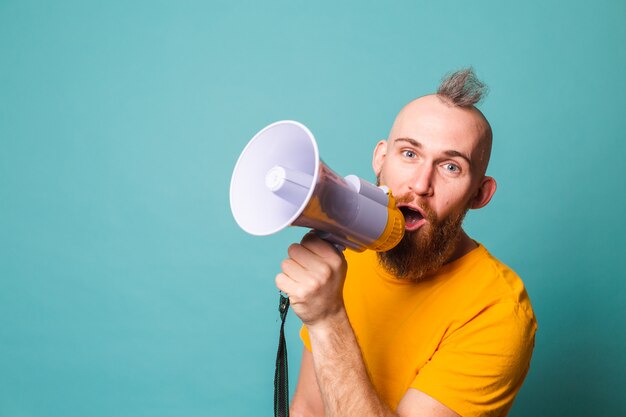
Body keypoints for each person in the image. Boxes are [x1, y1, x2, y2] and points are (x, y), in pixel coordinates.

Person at [275, 68, 537, 417]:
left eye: (451, 167)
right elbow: (309, 406)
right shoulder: (353, 249)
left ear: (480, 193)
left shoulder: (498, 312)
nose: (420, 183)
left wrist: (327, 319)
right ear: (381, 158)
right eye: (409, 154)